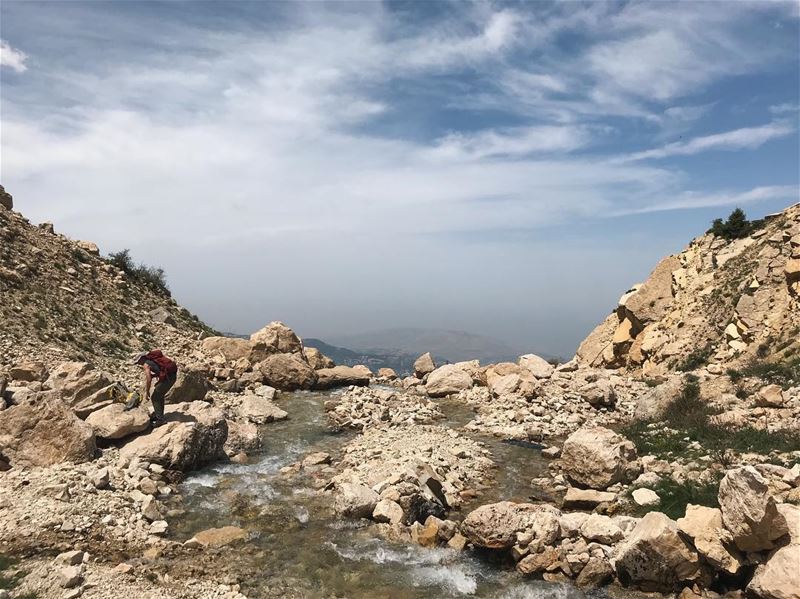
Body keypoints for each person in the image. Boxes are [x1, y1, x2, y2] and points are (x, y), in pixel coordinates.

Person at [125, 350, 178, 425]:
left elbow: (149, 380)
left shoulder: (146, 364)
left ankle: (160, 419)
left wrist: (147, 392)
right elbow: (160, 369)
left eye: (138, 362)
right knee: (159, 395)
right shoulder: (152, 360)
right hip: (172, 376)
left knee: (155, 397)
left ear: (142, 359)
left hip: (168, 379)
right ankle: (159, 415)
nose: (138, 364)